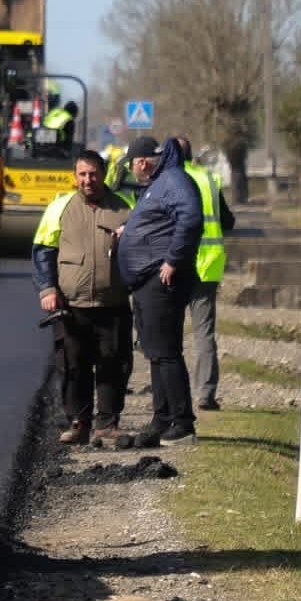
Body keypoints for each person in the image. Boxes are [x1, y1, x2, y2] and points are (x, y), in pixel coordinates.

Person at [30, 151, 134, 447]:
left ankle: (107, 424)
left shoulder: (126, 208)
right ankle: (79, 423)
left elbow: (141, 251)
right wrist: (48, 289)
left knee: (113, 364)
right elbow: (42, 251)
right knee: (73, 365)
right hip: (71, 305)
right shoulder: (60, 207)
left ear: (103, 174)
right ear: (75, 177)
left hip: (112, 303)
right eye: (82, 174)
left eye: (93, 174)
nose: (88, 180)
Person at [111, 134, 203, 448]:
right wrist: (130, 230)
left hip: (161, 280)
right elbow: (159, 221)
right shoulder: (161, 182)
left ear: (142, 163)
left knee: (166, 352)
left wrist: (173, 260)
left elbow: (190, 218)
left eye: (132, 166)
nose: (132, 172)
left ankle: (182, 423)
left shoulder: (174, 180)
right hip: (148, 281)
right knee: (155, 353)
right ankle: (161, 419)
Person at [172, 134, 235, 412]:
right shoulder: (209, 179)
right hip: (207, 266)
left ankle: (172, 392)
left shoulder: (169, 180)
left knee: (169, 334)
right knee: (204, 333)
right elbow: (228, 220)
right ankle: (205, 394)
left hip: (175, 266)